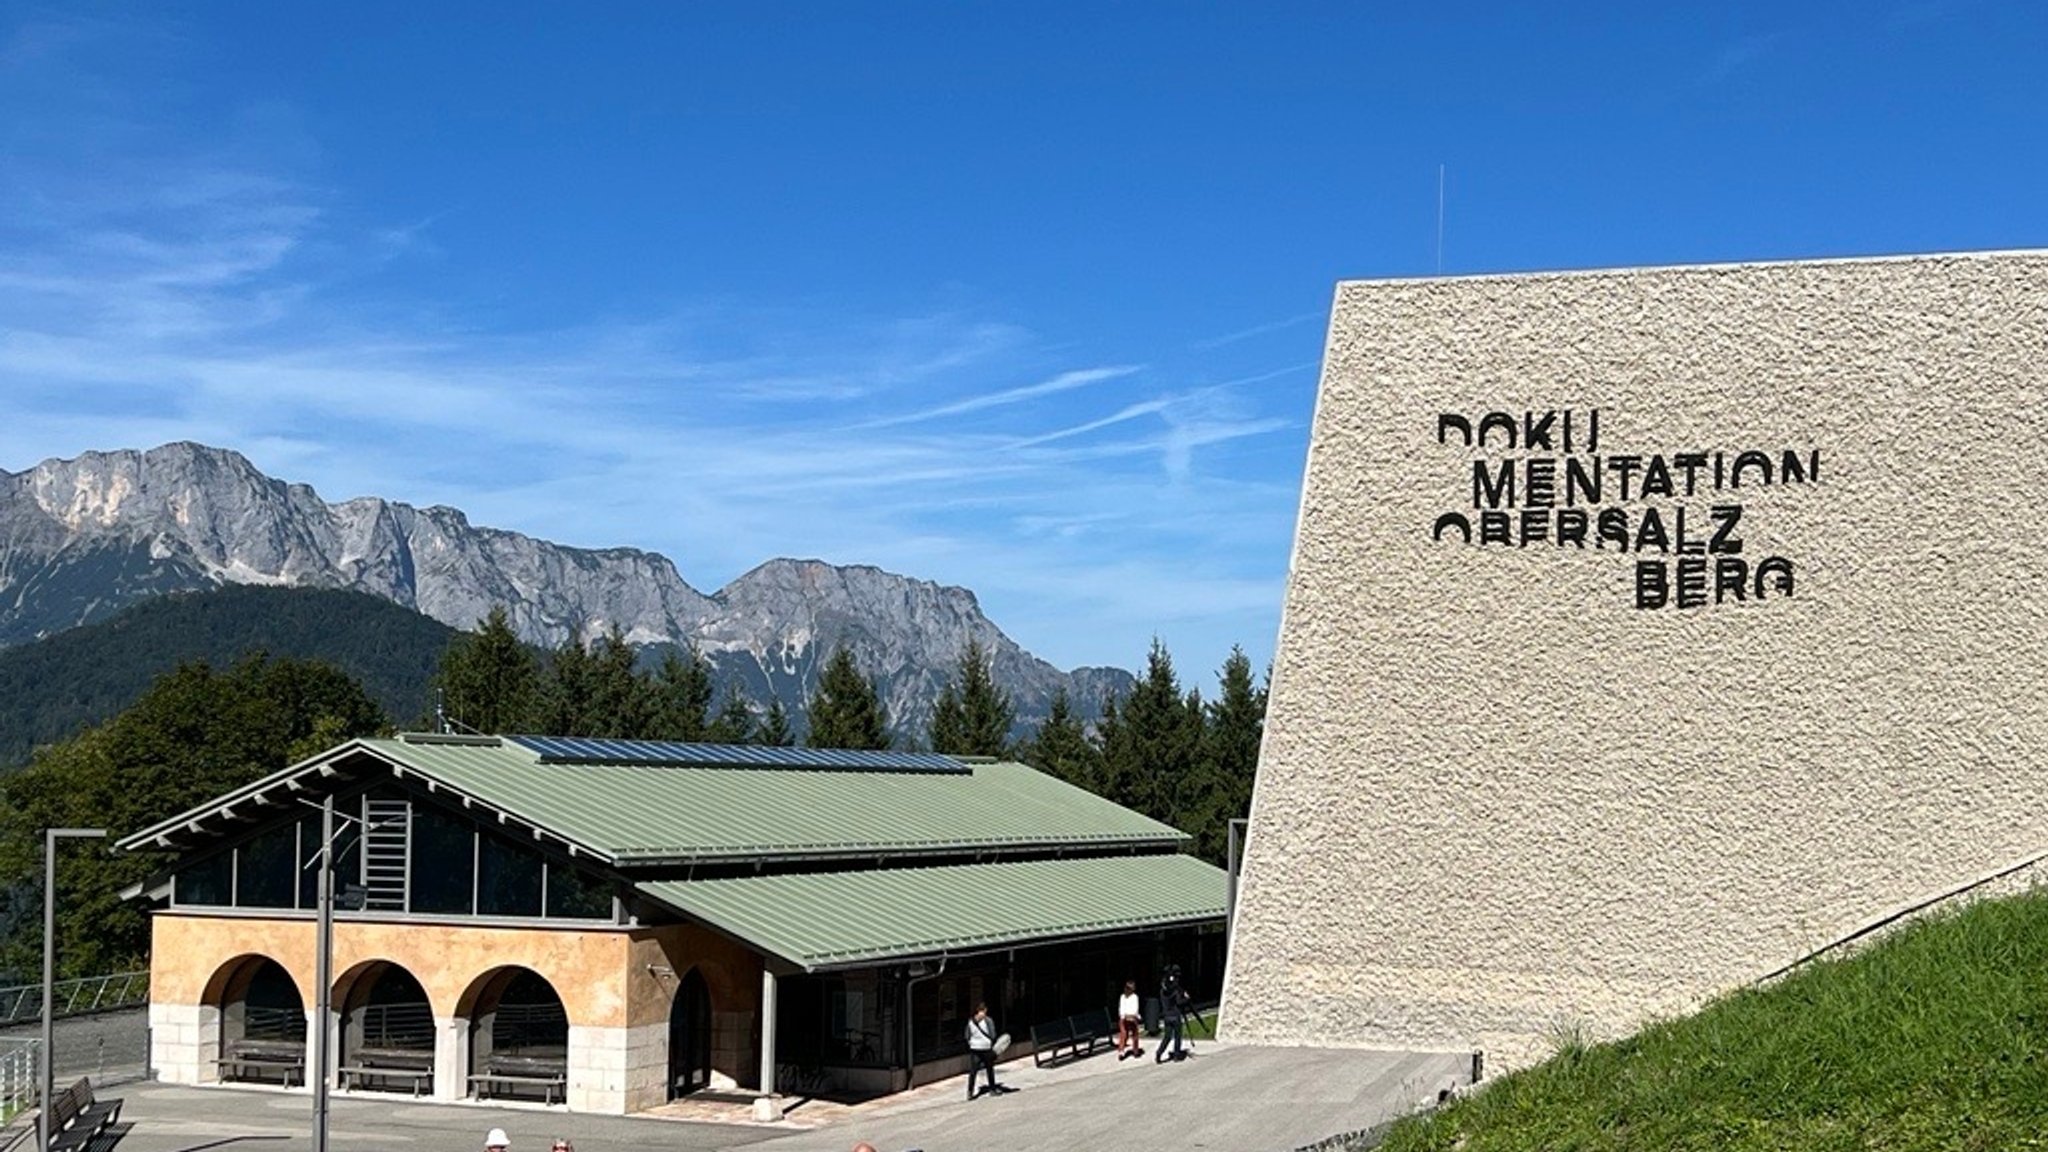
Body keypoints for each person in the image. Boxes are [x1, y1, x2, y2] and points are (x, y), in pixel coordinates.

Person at [963, 1002, 1010, 1099]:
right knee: (989, 1069)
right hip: (986, 1048)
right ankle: (992, 1089)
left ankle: (970, 1092)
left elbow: (967, 1035)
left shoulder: (971, 1021)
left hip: (974, 1048)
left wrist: (972, 1043)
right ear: (985, 1010)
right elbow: (993, 1035)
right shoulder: (988, 1020)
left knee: (973, 1071)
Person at [1154, 965, 1191, 1063]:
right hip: (1175, 1015)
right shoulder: (1175, 991)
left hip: (1167, 1015)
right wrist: (1186, 998)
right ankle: (1176, 1054)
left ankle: (1159, 1052)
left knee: (1167, 1036)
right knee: (1178, 1036)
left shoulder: (1163, 991)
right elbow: (1179, 1002)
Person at [1116, 979, 1143, 1059]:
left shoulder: (1135, 997)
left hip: (1132, 1017)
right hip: (1124, 1017)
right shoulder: (1122, 997)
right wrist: (1123, 1016)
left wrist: (1132, 1016)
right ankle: (1121, 1051)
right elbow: (1121, 1008)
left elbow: (1135, 1008)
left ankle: (1135, 1050)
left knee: (1135, 1034)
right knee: (1124, 1034)